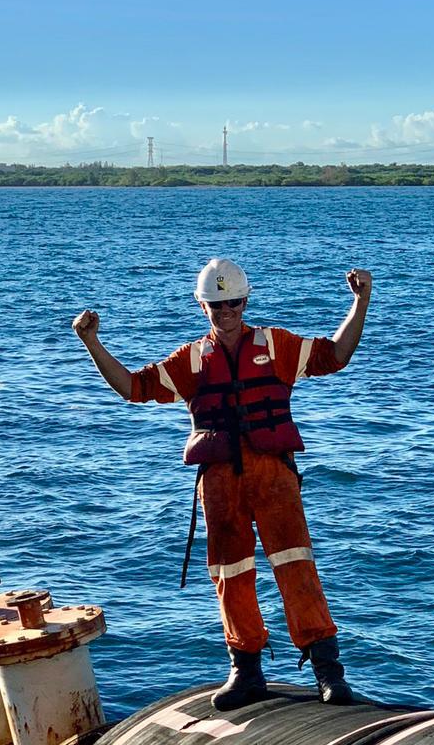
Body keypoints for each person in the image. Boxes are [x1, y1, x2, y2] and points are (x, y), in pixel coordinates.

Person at [72, 258, 372, 711]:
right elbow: (132, 387)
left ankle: (328, 672)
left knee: (295, 565)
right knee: (229, 574)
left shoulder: (276, 344)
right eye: (216, 303)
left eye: (232, 302)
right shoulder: (192, 360)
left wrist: (360, 300)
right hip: (218, 482)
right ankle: (246, 669)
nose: (226, 310)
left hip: (274, 475)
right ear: (202, 305)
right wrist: (91, 342)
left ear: (245, 301)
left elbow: (336, 354)